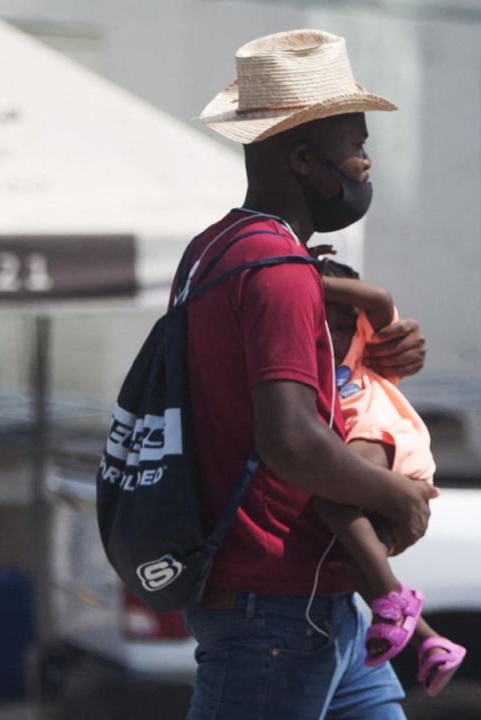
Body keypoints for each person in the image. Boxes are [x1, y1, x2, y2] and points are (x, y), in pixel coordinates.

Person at [181, 29, 430, 719]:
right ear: (303, 160)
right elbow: (290, 438)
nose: (364, 162)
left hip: (317, 603)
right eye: (354, 144)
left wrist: (373, 324)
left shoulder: (219, 250)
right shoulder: (280, 273)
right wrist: (395, 494)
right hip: (276, 613)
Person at [312, 254, 466, 696]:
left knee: (331, 491)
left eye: (343, 326)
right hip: (372, 467)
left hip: (390, 443)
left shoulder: (370, 355)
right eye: (322, 325)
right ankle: (433, 643)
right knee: (359, 563)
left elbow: (377, 298)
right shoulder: (306, 372)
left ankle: (395, 607)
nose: (334, 337)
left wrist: (304, 281)